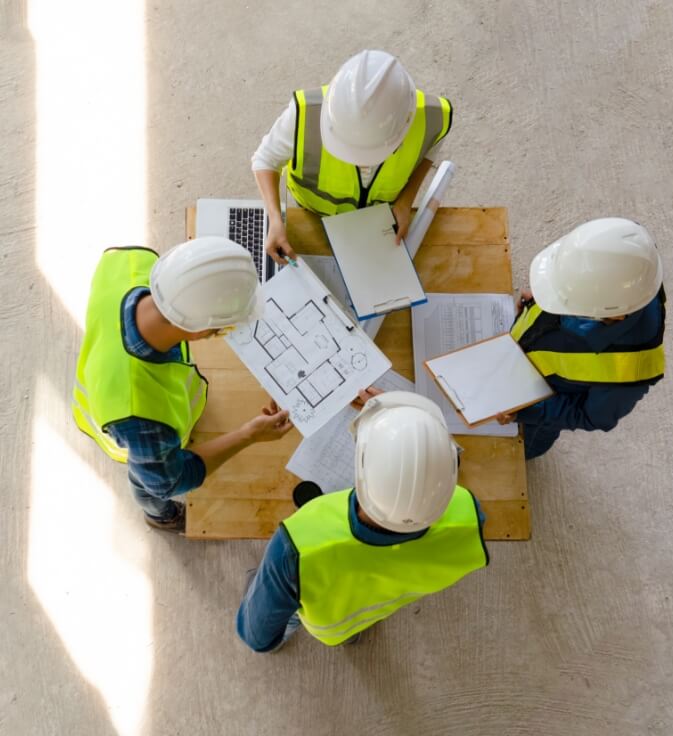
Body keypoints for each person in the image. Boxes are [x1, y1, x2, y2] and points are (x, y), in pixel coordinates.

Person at [236, 390, 489, 652]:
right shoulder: (469, 515)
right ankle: (351, 633)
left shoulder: (296, 547)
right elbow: (424, 471)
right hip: (372, 608)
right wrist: (406, 431)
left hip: (330, 622)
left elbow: (255, 635)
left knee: (274, 595)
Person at [72, 237, 293, 532]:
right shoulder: (140, 416)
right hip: (129, 426)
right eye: (224, 328)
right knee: (147, 487)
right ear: (199, 331)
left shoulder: (131, 264)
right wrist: (248, 435)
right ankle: (160, 517)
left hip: (118, 377)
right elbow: (170, 480)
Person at [252, 49, 453, 264]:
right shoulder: (304, 113)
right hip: (313, 211)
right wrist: (274, 218)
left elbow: (430, 149)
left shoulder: (432, 118)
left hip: (376, 221)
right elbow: (265, 159)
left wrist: (406, 201)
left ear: (405, 123)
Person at [497, 217, 666, 460]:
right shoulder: (628, 261)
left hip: (538, 413)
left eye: (567, 304)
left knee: (520, 450)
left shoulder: (630, 369)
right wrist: (543, 293)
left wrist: (526, 411)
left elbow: (589, 416)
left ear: (614, 315)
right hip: (520, 358)